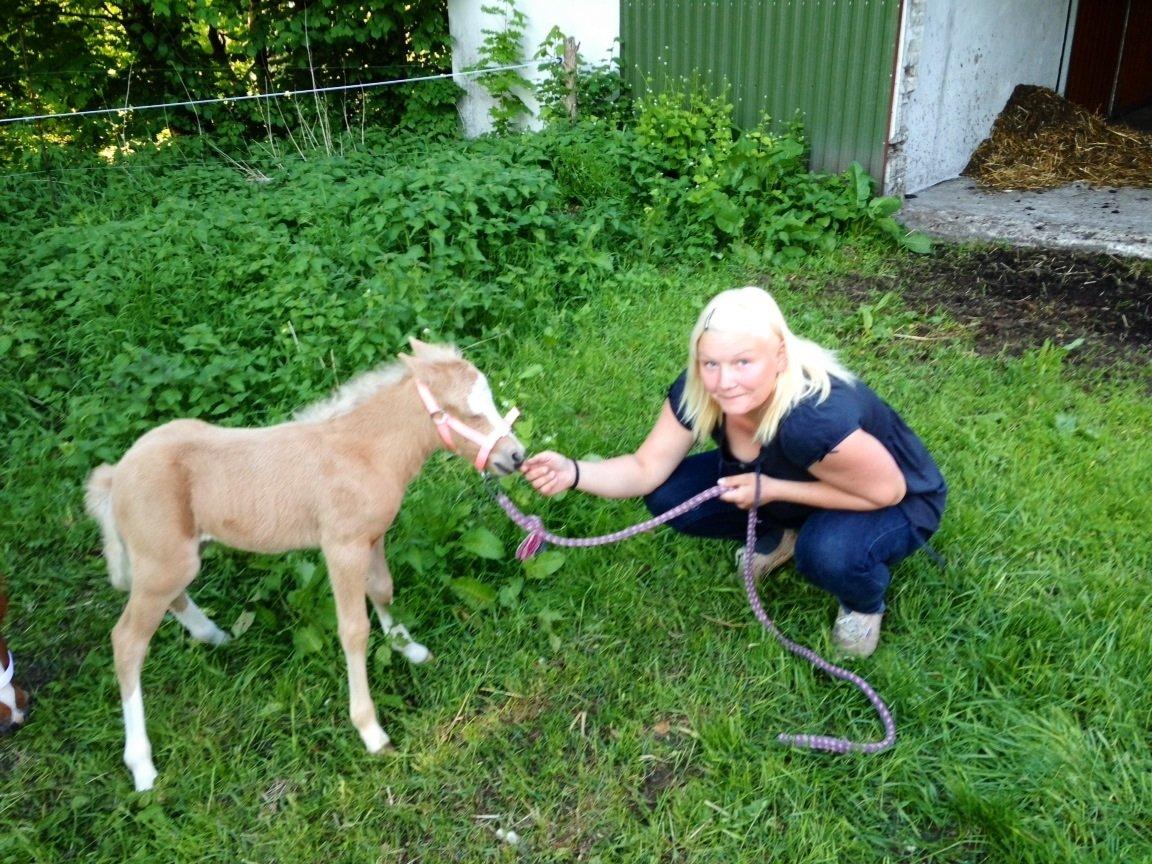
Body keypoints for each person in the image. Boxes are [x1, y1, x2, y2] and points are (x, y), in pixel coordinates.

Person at [521, 286, 946, 657]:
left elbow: (886, 491)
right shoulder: (698, 393)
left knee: (825, 554)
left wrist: (772, 488)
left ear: (779, 356)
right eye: (711, 364)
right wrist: (573, 472)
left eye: (743, 362)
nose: (724, 382)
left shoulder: (809, 418)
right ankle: (780, 536)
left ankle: (862, 603)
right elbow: (644, 467)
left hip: (899, 502)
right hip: (803, 479)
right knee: (672, 495)